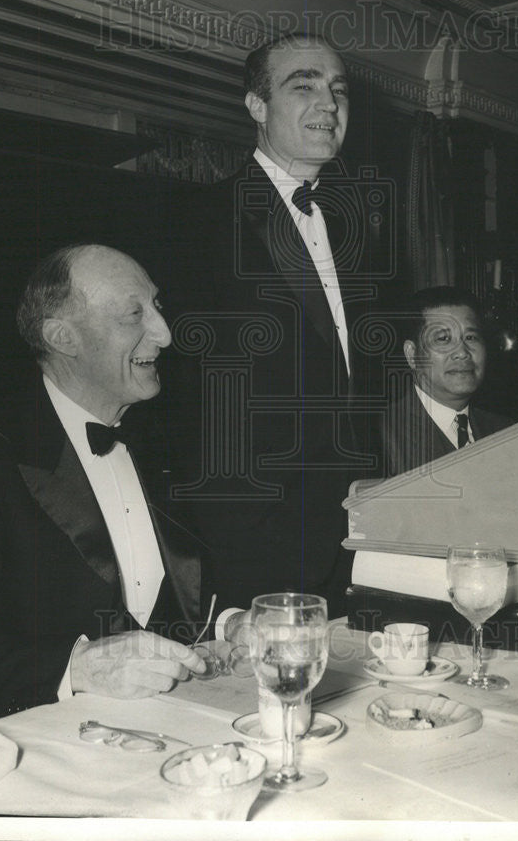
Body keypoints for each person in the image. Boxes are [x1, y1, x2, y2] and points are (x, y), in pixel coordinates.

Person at [0, 244, 209, 722]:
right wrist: (76, 669)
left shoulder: (166, 437)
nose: (165, 334)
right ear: (64, 337)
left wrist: (235, 623)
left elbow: (187, 590)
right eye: (134, 314)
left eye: (157, 306)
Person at [178, 32, 386, 615]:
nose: (329, 104)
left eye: (338, 91)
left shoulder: (356, 230)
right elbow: (179, 390)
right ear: (256, 106)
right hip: (251, 533)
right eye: (305, 86)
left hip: (352, 524)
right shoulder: (199, 220)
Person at [384, 286, 512, 476]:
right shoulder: (380, 434)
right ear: (412, 355)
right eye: (443, 339)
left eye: (471, 337)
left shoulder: (507, 433)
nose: (462, 352)